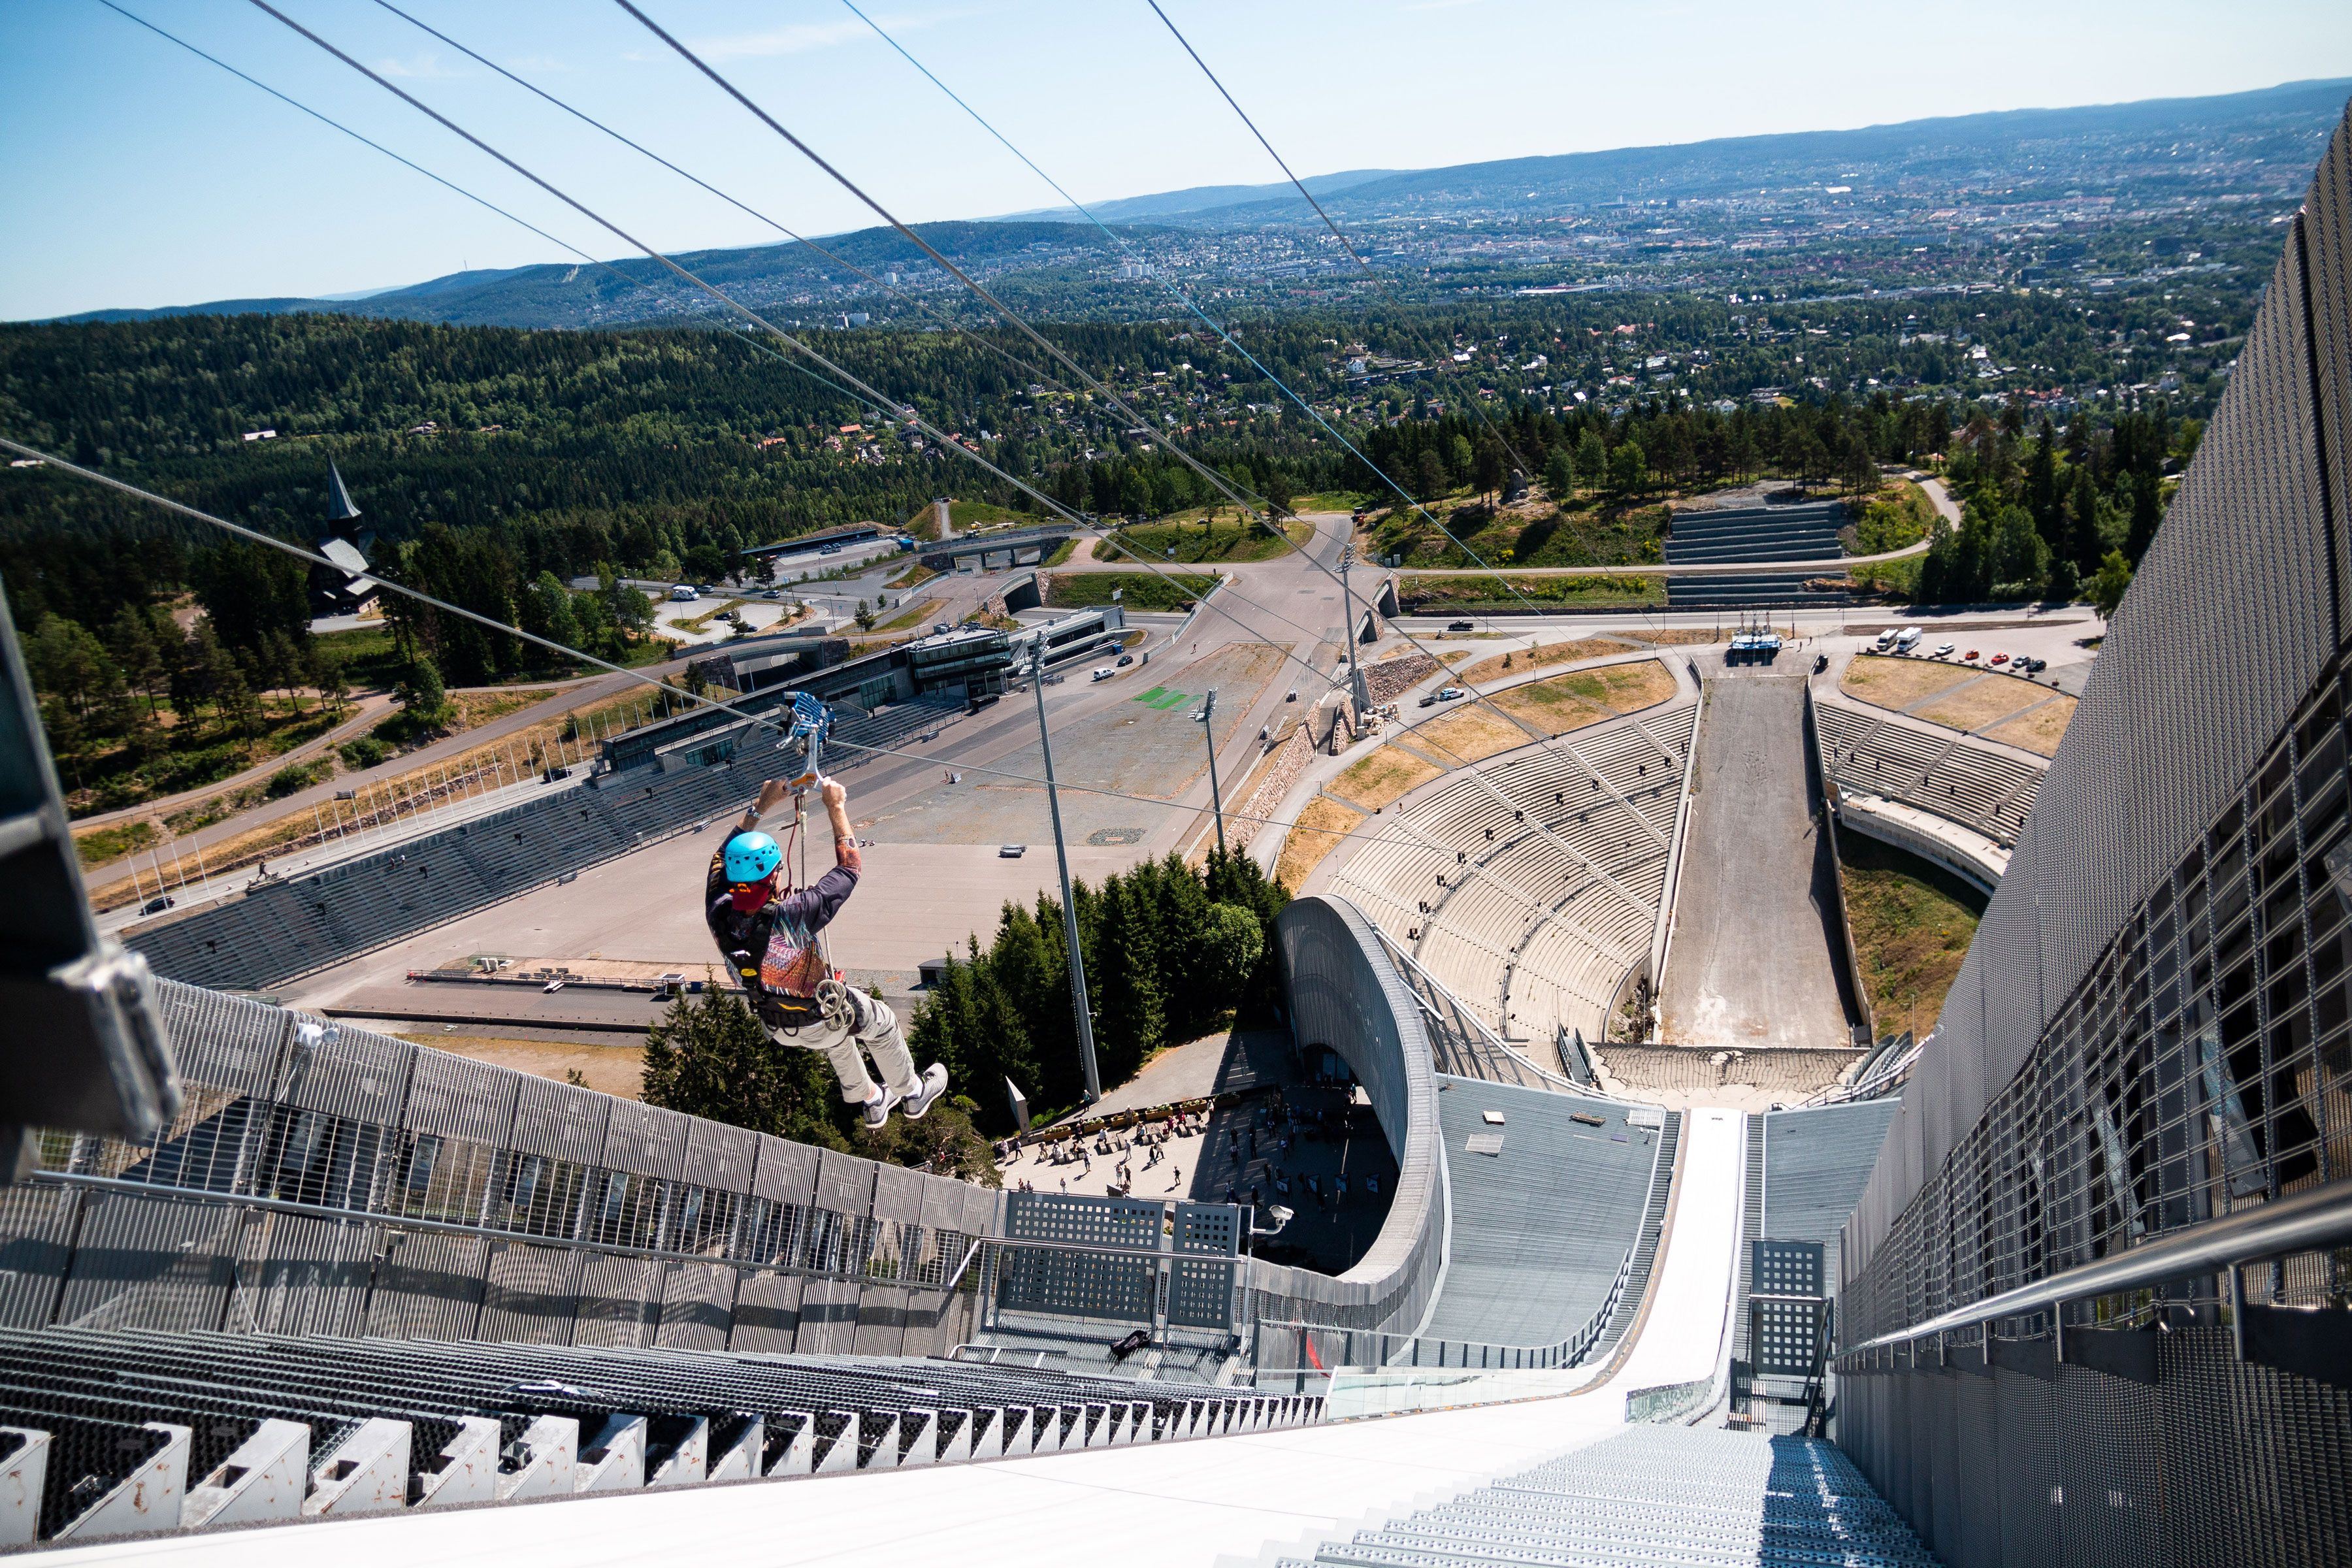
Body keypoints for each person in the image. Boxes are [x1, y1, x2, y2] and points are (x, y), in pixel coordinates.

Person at [706, 775, 946, 1132]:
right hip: (818, 1018)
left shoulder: (718, 911)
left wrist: (759, 806)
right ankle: (911, 1092)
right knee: (880, 1025)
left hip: (777, 1025)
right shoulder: (792, 914)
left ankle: (872, 1101)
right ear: (774, 877)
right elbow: (850, 867)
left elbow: (720, 857)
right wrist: (836, 806)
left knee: (837, 1036)